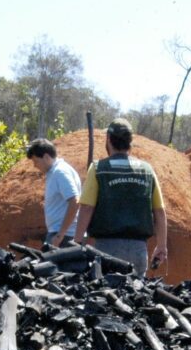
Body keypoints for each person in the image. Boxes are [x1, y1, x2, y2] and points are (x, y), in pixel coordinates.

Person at [74, 118, 168, 276]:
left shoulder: (98, 169)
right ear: (130, 142)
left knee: (106, 295)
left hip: (106, 248)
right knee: (135, 296)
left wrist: (76, 242)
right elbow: (159, 211)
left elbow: (87, 208)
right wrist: (161, 246)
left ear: (109, 139)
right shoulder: (147, 170)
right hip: (138, 249)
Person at [26, 138, 81, 249]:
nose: (35, 165)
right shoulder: (54, 172)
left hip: (65, 237)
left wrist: (60, 235)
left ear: (46, 157)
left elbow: (74, 201)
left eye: (36, 161)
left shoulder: (60, 172)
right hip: (60, 234)